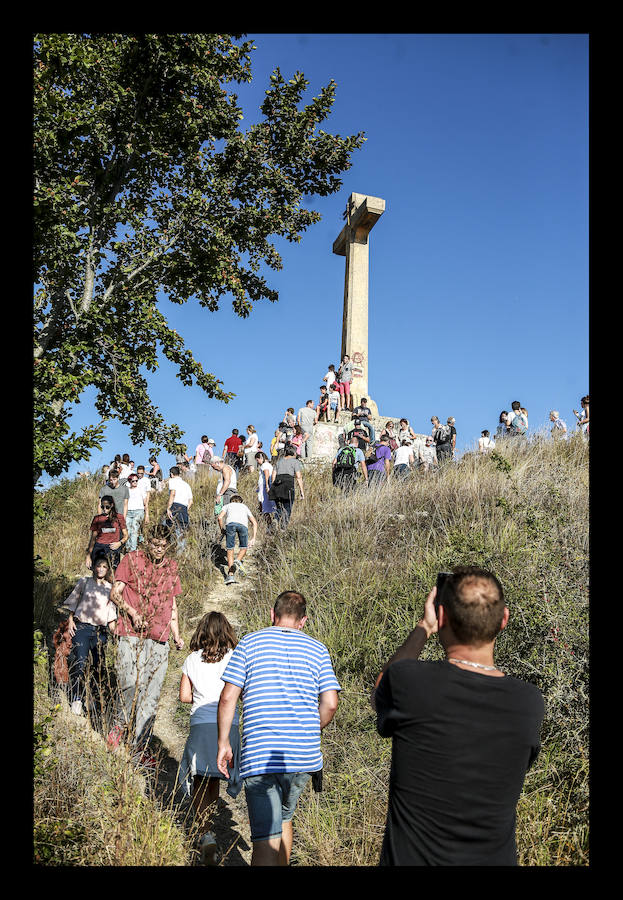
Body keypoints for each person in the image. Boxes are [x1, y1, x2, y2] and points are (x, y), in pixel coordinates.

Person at [371, 566, 544, 866]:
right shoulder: (529, 702)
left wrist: (423, 628)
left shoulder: (411, 682)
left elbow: (380, 690)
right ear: (504, 619)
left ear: (442, 617)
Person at [216, 590, 341, 866]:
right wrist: (310, 727)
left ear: (272, 615)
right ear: (303, 621)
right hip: (302, 757)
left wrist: (224, 742)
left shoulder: (249, 643)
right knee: (284, 818)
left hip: (262, 756)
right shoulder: (318, 649)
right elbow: (330, 703)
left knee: (264, 839)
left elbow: (227, 697)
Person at [107, 525, 185, 765]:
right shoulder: (131, 559)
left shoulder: (171, 567)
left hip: (159, 638)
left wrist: (177, 634)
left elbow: (172, 603)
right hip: (131, 633)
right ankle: (119, 728)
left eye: (163, 545)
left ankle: (139, 746)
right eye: (154, 544)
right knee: (129, 683)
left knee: (151, 694)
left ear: (168, 546)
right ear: (146, 542)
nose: (158, 549)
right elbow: (115, 593)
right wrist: (132, 612)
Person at [179, 612, 242, 865]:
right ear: (227, 631)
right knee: (215, 777)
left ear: (201, 632)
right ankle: (208, 829)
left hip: (201, 722)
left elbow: (184, 696)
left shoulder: (192, 659)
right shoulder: (236, 657)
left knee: (199, 777)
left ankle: (204, 832)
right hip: (229, 724)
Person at [63, 555, 117, 716]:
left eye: (104, 567)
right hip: (82, 628)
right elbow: (73, 602)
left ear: (108, 570)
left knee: (98, 666)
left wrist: (115, 635)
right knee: (80, 663)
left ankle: (93, 699)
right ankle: (77, 698)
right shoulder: (84, 582)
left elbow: (111, 614)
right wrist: (71, 620)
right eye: (98, 566)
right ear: (93, 567)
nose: (101, 569)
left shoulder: (110, 588)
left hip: (100, 631)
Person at [217, 494, 258, 584]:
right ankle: (238, 560)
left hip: (230, 525)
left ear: (231, 500)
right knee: (244, 547)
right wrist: (254, 538)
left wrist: (222, 529)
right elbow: (254, 522)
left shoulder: (227, 506)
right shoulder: (244, 507)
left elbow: (220, 517)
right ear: (241, 501)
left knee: (230, 550)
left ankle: (230, 576)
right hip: (243, 526)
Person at [86, 496, 128, 571]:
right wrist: (88, 556)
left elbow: (126, 536)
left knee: (112, 572)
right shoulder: (97, 518)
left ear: (112, 505)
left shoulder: (119, 517)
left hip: (113, 547)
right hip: (99, 547)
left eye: (107, 507)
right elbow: (92, 539)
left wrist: (119, 543)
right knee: (98, 573)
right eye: (102, 507)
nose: (104, 509)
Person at [271, 444, 304, 528]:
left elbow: (273, 475)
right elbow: (299, 477)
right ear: (293, 453)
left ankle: (276, 519)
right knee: (287, 507)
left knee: (278, 507)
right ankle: (283, 527)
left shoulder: (278, 462)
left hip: (277, 484)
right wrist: (301, 491)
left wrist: (273, 487)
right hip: (288, 483)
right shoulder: (295, 462)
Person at [166, 466, 193, 545]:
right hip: (184, 508)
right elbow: (191, 501)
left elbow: (173, 494)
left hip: (174, 506)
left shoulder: (172, 481)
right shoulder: (186, 485)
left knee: (170, 531)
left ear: (171, 474)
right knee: (182, 533)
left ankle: (172, 551)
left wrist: (168, 508)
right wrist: (185, 509)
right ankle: (181, 553)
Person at [126, 473, 149, 551]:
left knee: (134, 530)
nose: (135, 482)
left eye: (136, 480)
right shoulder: (127, 490)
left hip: (139, 511)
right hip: (128, 512)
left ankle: (133, 550)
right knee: (127, 531)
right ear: (130, 481)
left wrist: (147, 515)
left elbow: (145, 503)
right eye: (133, 481)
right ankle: (127, 548)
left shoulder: (141, 489)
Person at [255, 450, 277, 525]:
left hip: (264, 488)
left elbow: (266, 473)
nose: (257, 462)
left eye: (257, 460)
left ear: (260, 458)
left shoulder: (264, 465)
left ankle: (270, 524)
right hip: (264, 487)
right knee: (266, 506)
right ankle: (271, 523)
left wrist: (267, 486)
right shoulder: (268, 465)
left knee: (264, 506)